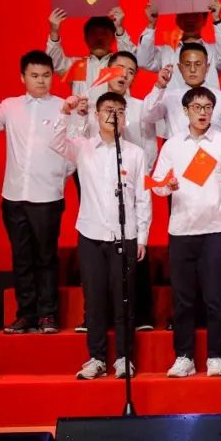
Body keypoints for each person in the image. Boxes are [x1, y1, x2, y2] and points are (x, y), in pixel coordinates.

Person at [151, 86, 221, 377]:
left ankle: (215, 356)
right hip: (181, 230)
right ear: (185, 111)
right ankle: (184, 356)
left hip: (215, 231)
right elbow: (157, 185)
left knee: (215, 297)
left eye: (208, 107)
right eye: (197, 107)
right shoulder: (172, 146)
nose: (203, 113)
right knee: (183, 299)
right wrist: (167, 185)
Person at [51, 92, 151, 379]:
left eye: (119, 110)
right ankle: (96, 357)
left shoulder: (135, 153)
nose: (114, 115)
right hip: (91, 233)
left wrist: (142, 236)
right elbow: (56, 142)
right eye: (108, 109)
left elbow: (143, 197)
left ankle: (123, 357)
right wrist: (66, 112)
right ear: (97, 115)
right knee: (94, 299)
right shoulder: (83, 148)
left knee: (124, 299)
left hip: (125, 234)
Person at [0, 51, 72, 335]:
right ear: (22, 77)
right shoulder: (10, 106)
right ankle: (26, 314)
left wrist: (59, 174)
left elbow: (74, 147)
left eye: (46, 75)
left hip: (47, 197)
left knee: (46, 258)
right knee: (21, 258)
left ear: (52, 77)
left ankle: (48, 314)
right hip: (14, 195)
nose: (41, 81)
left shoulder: (63, 107)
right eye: (34, 75)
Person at [72, 50, 163, 331]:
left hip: (132, 177)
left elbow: (149, 142)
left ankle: (140, 316)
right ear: (106, 71)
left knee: (135, 244)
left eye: (131, 71)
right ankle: (93, 315)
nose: (124, 75)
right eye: (119, 68)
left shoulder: (140, 107)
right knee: (96, 251)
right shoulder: (91, 104)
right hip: (96, 180)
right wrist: (78, 115)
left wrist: (144, 173)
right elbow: (77, 143)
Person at [136, 0, 221, 90]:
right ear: (177, 19)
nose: (189, 18)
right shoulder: (166, 53)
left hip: (206, 104)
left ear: (205, 19)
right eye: (184, 14)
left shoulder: (214, 51)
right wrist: (151, 24)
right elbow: (143, 61)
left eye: (195, 14)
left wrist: (217, 20)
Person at [143, 42, 221, 138]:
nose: (192, 69)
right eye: (187, 64)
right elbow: (147, 116)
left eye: (198, 64)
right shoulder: (168, 97)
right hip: (177, 147)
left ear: (207, 67)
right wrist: (159, 86)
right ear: (179, 68)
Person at [45, 6, 136, 99]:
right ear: (85, 38)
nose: (99, 38)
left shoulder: (120, 65)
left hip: (117, 108)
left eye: (104, 33)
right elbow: (54, 63)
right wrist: (54, 31)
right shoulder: (77, 66)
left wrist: (119, 28)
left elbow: (132, 60)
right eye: (93, 33)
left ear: (113, 37)